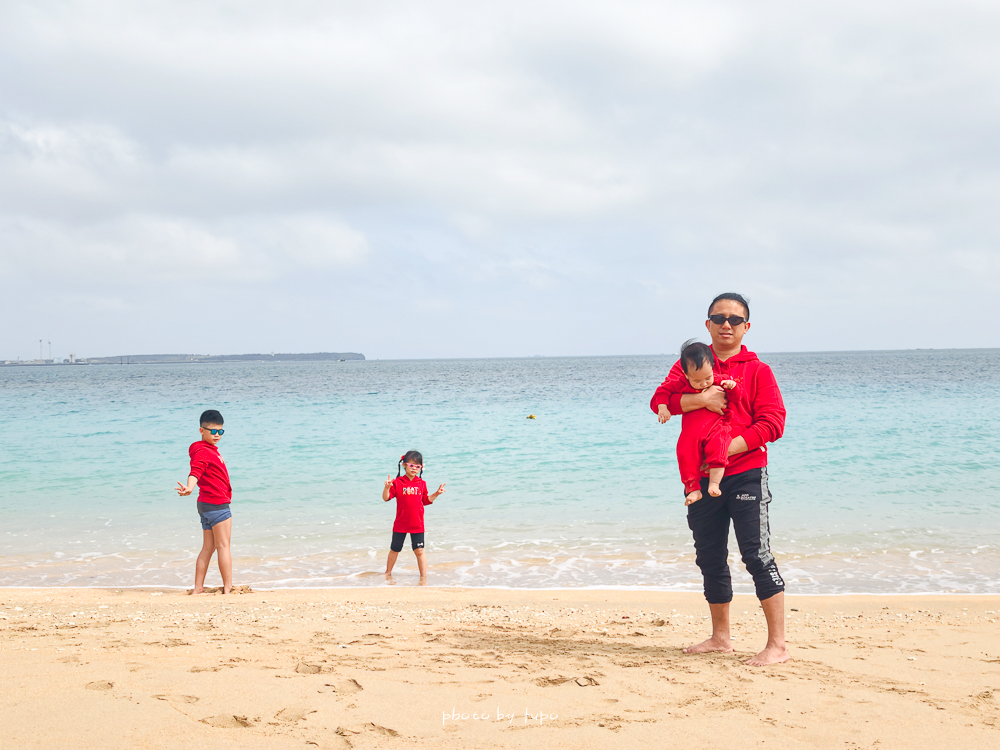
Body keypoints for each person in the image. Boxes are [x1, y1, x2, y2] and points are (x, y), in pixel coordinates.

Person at [650, 293, 789, 666]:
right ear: (708, 324)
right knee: (709, 557)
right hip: (699, 478)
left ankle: (777, 645)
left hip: (745, 474)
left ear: (746, 327)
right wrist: (702, 400)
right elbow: (659, 402)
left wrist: (726, 451)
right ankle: (720, 638)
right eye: (718, 317)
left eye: (734, 318)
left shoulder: (758, 370)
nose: (726, 324)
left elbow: (774, 423)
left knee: (755, 555)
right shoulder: (691, 364)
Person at [658, 340, 743, 504]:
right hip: (692, 432)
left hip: (717, 428)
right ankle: (693, 489)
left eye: (707, 378)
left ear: (712, 367)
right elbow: (662, 392)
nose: (704, 383)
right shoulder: (681, 383)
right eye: (697, 381)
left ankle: (714, 483)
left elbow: (737, 399)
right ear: (686, 374)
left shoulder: (720, 380)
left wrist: (733, 387)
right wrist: (663, 408)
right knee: (685, 454)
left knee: (719, 449)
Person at [176, 409, 233, 595]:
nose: (217, 435)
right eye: (212, 431)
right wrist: (190, 487)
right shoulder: (203, 452)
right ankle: (228, 588)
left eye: (220, 432)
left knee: (208, 547)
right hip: (217, 504)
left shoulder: (207, 450)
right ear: (202, 431)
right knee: (223, 546)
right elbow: (196, 471)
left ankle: (198, 588)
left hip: (206, 504)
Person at [382, 450, 446, 583]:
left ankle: (423, 577)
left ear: (421, 468)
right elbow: (386, 498)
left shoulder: (421, 483)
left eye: (417, 466)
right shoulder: (398, 482)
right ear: (404, 465)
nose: (414, 469)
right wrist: (387, 488)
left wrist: (437, 493)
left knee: (419, 550)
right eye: (411, 465)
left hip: (417, 524)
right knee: (394, 549)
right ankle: (387, 573)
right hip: (400, 523)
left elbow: (426, 501)